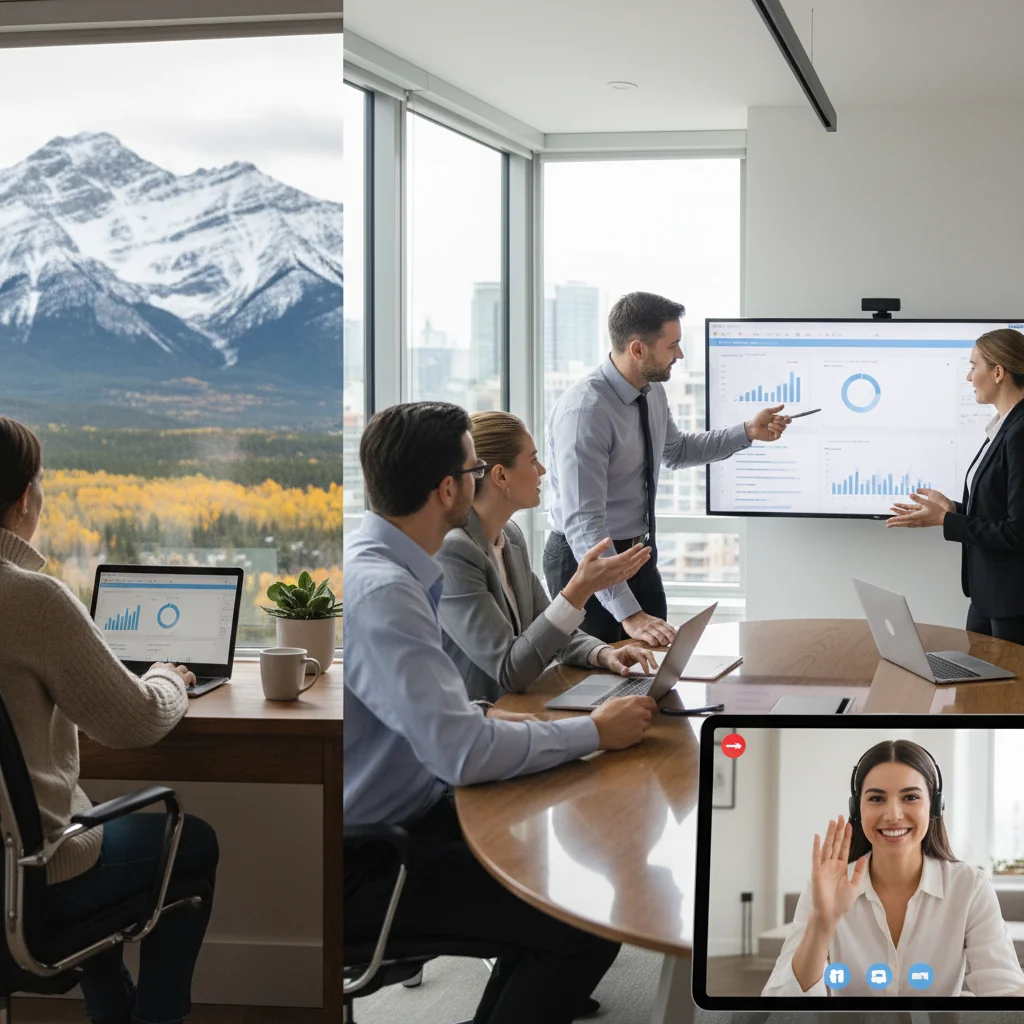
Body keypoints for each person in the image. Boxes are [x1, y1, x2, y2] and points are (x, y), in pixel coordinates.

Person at [344, 401, 658, 1024]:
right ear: (449, 488)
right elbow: (460, 752)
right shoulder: (388, 592)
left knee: (565, 878)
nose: (480, 476)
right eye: (472, 468)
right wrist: (592, 730)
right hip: (379, 857)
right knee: (585, 922)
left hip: (418, 809)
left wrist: (492, 714)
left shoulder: (389, 566)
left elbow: (432, 714)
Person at [0, 416, 219, 1024]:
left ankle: (112, 1007)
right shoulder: (30, 600)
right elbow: (136, 722)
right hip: (26, 880)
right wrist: (170, 679)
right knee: (191, 843)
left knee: (81, 814)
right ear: (24, 498)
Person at [544, 291, 791, 645]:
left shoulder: (650, 390)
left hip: (637, 555)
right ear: (638, 349)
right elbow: (584, 526)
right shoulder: (586, 412)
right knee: (592, 684)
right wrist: (629, 613)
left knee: (654, 666)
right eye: (672, 345)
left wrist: (748, 432)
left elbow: (676, 450)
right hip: (585, 561)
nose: (680, 355)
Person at [764, 739, 1024, 997]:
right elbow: (782, 1007)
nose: (893, 814)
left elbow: (1006, 992)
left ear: (935, 806)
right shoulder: (829, 886)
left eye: (910, 797)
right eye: (876, 798)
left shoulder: (970, 887)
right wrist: (823, 922)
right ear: (857, 809)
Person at [436, 410, 658, 705]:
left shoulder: (510, 536)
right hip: (478, 725)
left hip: (520, 711)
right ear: (501, 475)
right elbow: (509, 670)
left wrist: (604, 653)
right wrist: (578, 590)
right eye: (532, 460)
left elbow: (547, 628)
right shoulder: (452, 551)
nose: (541, 470)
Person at [886, 328, 1024, 644]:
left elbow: (1018, 531)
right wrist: (952, 510)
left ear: (998, 372)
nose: (968, 377)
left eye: (974, 366)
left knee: (1003, 693)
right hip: (987, 596)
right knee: (972, 689)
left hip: (1012, 604)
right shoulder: (1005, 428)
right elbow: (999, 511)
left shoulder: (1020, 433)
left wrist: (947, 521)